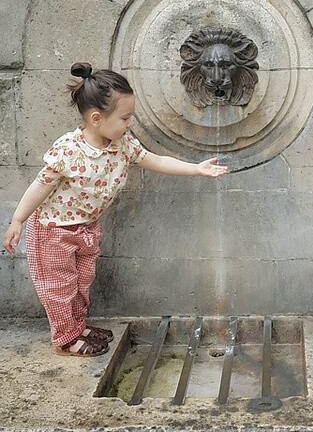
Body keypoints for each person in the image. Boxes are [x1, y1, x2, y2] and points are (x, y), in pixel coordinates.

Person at [2, 63, 228, 357]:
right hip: (53, 231)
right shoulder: (69, 150)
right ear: (97, 118)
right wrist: (18, 219)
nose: (130, 123)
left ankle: (77, 327)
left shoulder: (122, 145)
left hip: (86, 229)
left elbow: (156, 161)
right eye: (124, 117)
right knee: (59, 289)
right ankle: (65, 340)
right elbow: (40, 185)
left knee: (82, 284)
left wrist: (195, 169)